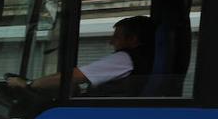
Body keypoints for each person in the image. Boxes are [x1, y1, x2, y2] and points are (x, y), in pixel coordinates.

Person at [8, 16, 155, 97]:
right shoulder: (143, 58)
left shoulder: (124, 59)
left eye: (116, 37)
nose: (111, 42)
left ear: (133, 39)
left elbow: (74, 76)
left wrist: (29, 84)